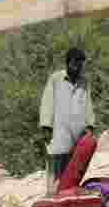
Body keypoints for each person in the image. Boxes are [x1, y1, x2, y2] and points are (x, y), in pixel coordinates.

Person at [39, 47, 95, 196]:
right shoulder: (56, 78)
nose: (78, 66)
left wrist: (90, 124)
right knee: (55, 167)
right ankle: (51, 197)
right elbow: (47, 101)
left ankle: (65, 196)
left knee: (71, 169)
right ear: (68, 62)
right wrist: (46, 125)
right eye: (75, 62)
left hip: (77, 133)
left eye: (81, 63)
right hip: (59, 131)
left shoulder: (84, 81)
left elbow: (88, 103)